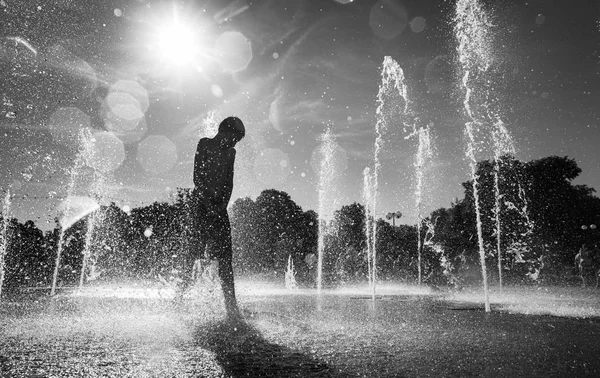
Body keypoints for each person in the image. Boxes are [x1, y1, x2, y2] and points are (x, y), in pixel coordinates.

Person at [181, 116, 245, 319]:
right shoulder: (205, 144)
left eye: (237, 141)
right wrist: (208, 204)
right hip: (200, 204)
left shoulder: (231, 152)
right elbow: (197, 177)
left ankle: (231, 308)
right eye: (233, 139)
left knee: (226, 259)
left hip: (219, 207)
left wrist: (221, 206)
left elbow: (229, 181)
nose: (234, 144)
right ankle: (177, 299)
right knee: (193, 255)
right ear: (223, 131)